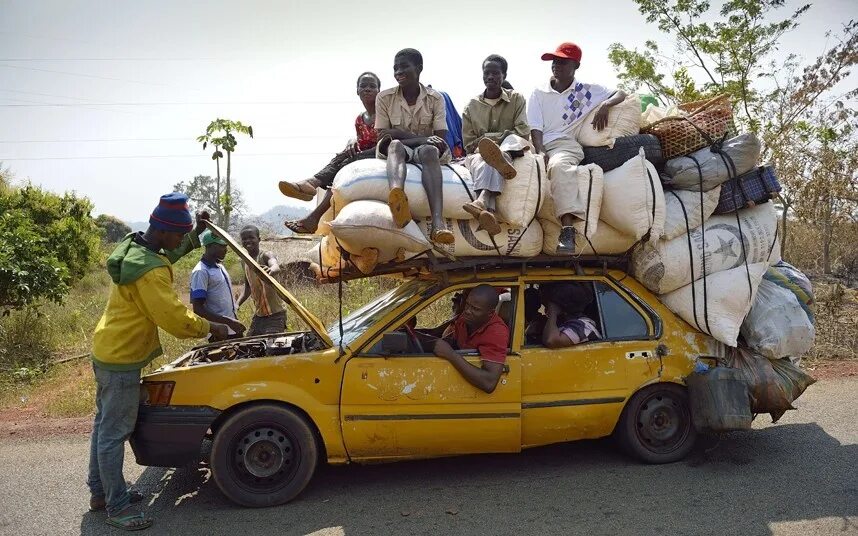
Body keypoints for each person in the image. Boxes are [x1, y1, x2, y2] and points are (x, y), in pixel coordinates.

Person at [88, 193, 229, 531]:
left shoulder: (136, 246)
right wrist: (213, 328)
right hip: (121, 357)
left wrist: (194, 234)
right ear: (163, 231)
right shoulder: (149, 273)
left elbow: (168, 253)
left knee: (103, 425)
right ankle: (117, 506)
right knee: (113, 432)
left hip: (108, 348)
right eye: (179, 235)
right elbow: (175, 318)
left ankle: (100, 493)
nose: (179, 241)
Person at [527, 42, 627, 253]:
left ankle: (568, 230)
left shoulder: (586, 91)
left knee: (559, 166)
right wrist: (539, 150)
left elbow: (621, 92)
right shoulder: (538, 92)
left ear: (576, 66)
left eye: (562, 62)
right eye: (554, 61)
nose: (556, 65)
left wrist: (606, 105)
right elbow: (535, 126)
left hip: (564, 145)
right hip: (537, 142)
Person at [280, 72, 382, 234]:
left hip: (381, 153)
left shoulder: (384, 113)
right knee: (341, 159)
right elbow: (360, 140)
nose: (367, 89)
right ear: (357, 91)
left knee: (344, 164)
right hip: (362, 154)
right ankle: (311, 189)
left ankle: (311, 187)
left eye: (372, 86)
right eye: (363, 86)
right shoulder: (360, 119)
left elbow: (385, 141)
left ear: (379, 91)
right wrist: (352, 143)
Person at [375, 48, 454, 245]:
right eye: (395, 68)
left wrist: (401, 134)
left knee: (429, 151)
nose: (398, 72)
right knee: (394, 146)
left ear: (419, 69)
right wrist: (419, 138)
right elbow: (383, 137)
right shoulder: (384, 98)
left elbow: (439, 139)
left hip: (425, 150)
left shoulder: (436, 99)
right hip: (399, 148)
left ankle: (438, 222)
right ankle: (397, 199)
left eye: (404, 67)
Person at [461, 54, 531, 235]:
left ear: (504, 75)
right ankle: (487, 210)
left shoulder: (516, 99)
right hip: (478, 153)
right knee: (486, 159)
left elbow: (522, 131)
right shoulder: (471, 106)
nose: (490, 77)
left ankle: (481, 201)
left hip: (509, 150)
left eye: (495, 73)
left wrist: (491, 139)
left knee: (501, 152)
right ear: (482, 75)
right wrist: (491, 141)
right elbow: (468, 143)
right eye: (487, 73)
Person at [433, 284, 509, 393]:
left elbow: (489, 383)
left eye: (475, 309)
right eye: (467, 305)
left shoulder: (496, 332)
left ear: (490, 313)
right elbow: (454, 342)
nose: (467, 311)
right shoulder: (465, 320)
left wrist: (450, 354)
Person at [190, 230, 246, 338]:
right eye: (221, 246)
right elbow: (198, 309)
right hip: (219, 332)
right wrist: (228, 321)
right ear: (209, 246)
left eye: (226, 246)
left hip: (233, 329)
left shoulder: (219, 266)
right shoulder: (201, 272)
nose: (225, 250)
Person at [236, 225, 288, 335]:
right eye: (244, 239)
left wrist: (270, 270)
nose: (248, 241)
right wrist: (237, 304)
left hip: (276, 315)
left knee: (272, 347)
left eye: (251, 237)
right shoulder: (244, 261)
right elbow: (247, 288)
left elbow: (275, 266)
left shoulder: (265, 255)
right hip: (259, 316)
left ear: (259, 239)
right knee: (250, 346)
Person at [541, 282, 601, 348]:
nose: (547, 307)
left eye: (549, 304)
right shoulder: (564, 322)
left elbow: (551, 340)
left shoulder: (584, 326)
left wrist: (553, 313)